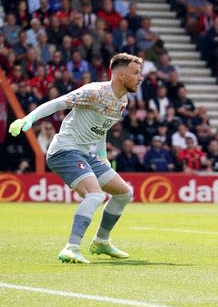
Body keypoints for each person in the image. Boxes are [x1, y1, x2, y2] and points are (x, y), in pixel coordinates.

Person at [9, 53, 142, 264]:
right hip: (64, 150)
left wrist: (102, 156)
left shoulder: (122, 101)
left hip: (85, 153)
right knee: (95, 195)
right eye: (136, 73)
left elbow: (101, 128)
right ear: (120, 75)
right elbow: (57, 103)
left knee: (125, 193)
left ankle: (101, 241)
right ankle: (71, 247)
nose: (140, 77)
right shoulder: (94, 92)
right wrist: (28, 119)